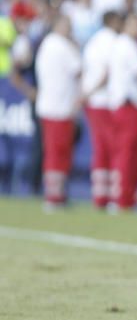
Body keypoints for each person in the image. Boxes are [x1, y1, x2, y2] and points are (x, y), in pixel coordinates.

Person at [34, 15, 81, 209]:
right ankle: (54, 195)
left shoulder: (46, 44)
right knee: (58, 152)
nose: (69, 29)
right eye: (67, 25)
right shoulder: (62, 45)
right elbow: (78, 69)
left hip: (49, 105)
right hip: (60, 106)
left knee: (54, 151)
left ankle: (56, 193)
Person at [107, 11, 137, 211]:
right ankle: (123, 199)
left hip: (123, 105)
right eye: (135, 23)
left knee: (128, 153)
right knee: (127, 153)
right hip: (128, 105)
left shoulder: (120, 44)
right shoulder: (128, 45)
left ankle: (127, 197)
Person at [80, 10, 120, 208]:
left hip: (92, 102)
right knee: (112, 148)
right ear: (112, 21)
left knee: (100, 148)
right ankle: (113, 194)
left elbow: (85, 70)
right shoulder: (113, 41)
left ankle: (99, 195)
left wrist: (86, 94)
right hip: (105, 101)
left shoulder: (92, 42)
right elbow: (107, 73)